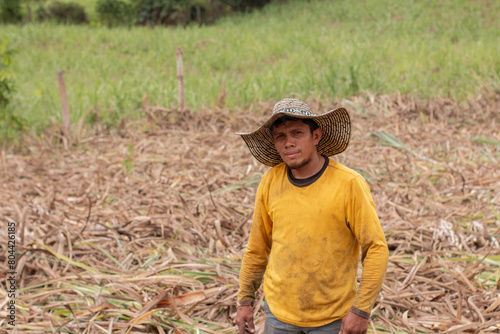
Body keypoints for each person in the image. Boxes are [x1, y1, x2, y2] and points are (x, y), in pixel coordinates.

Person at [235, 98, 389, 334]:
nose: (289, 143)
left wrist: (360, 311)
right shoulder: (270, 181)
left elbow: (376, 248)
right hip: (279, 315)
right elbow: (257, 248)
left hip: (332, 319)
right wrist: (244, 301)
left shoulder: (348, 184)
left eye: (297, 133)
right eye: (281, 137)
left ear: (315, 137)